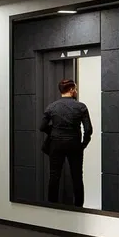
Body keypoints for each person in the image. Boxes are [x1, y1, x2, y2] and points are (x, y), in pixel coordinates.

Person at [40, 78, 93, 206]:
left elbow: (42, 127)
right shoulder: (81, 107)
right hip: (74, 144)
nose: (76, 91)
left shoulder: (52, 107)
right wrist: (83, 144)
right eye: (75, 89)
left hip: (56, 144)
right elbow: (88, 129)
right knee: (77, 177)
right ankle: (78, 207)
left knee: (54, 176)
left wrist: (53, 131)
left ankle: (52, 206)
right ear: (71, 89)